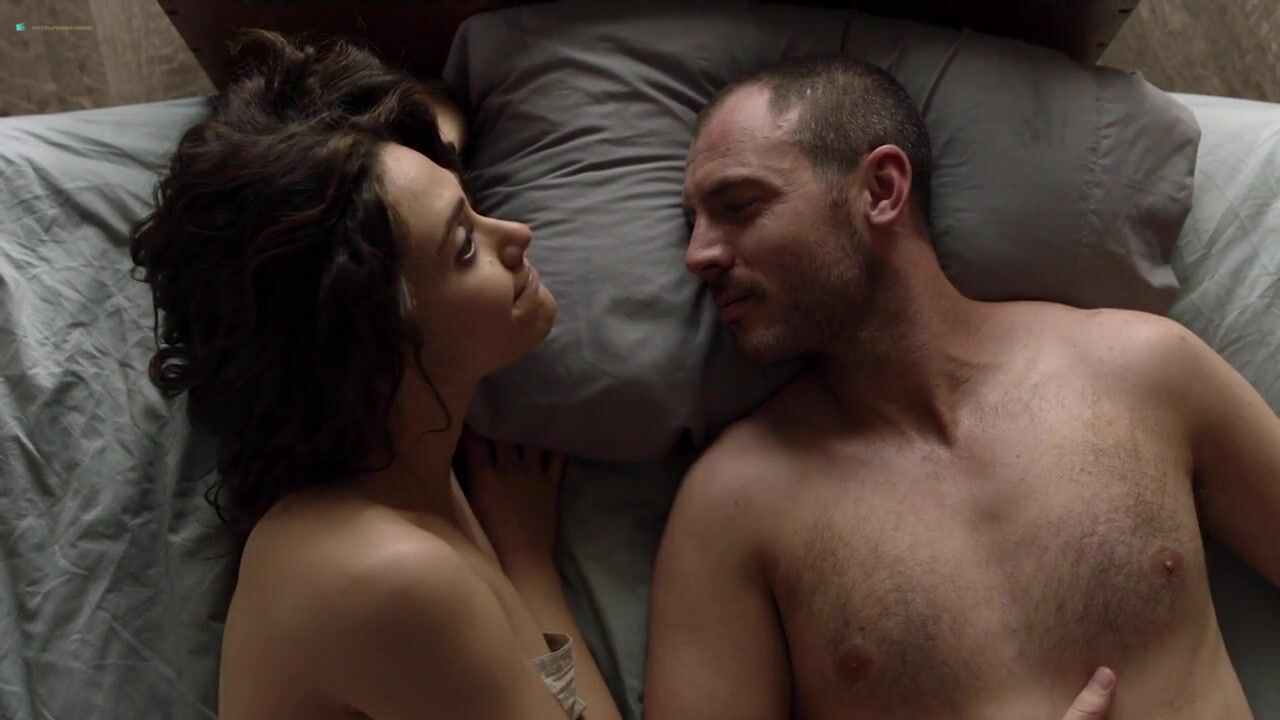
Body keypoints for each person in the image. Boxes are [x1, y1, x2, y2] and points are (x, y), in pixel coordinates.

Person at [647, 55, 1279, 720]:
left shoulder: (1142, 371)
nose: (698, 255)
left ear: (881, 189)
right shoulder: (731, 510)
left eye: (739, 206)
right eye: (692, 224)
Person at [130, 31, 621, 720]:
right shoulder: (385, 576)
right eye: (466, 245)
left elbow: (436, 123)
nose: (518, 235)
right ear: (373, 342)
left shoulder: (406, 468)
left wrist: (525, 559)